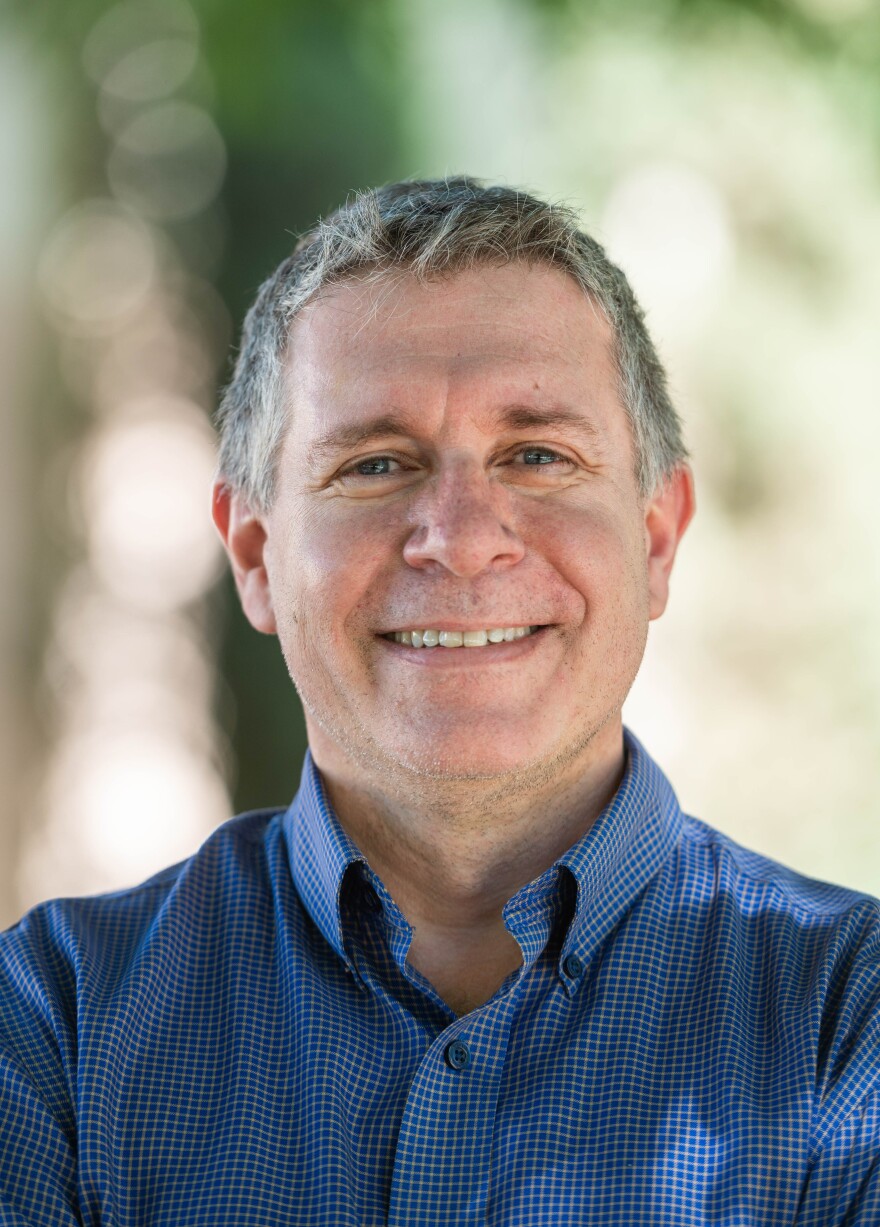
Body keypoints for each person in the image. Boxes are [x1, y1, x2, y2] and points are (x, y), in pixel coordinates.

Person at [1, 178, 878, 1227]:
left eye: (538, 456)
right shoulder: (51, 1025)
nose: (461, 537)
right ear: (254, 554)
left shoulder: (851, 1020)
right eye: (376, 464)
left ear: (654, 538)